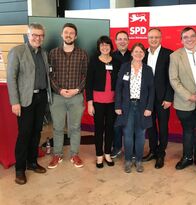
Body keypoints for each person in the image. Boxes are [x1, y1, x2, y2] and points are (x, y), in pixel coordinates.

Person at [7, 23, 52, 185]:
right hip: (25, 101)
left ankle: (32, 162)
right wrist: (15, 102)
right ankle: (20, 169)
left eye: (40, 35)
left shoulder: (43, 53)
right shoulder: (17, 52)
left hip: (40, 99)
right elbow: (11, 78)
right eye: (34, 35)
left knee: (36, 132)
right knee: (24, 134)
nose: (37, 38)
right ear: (28, 35)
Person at [169, 27, 196, 171]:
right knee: (187, 131)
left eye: (192, 36)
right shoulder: (175, 56)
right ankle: (187, 157)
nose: (189, 39)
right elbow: (174, 79)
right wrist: (189, 96)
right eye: (186, 37)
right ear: (181, 40)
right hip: (184, 102)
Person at [48, 23, 88, 169]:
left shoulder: (82, 53)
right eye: (66, 32)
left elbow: (86, 75)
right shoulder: (53, 53)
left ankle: (74, 154)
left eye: (72, 33)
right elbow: (50, 75)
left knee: (75, 127)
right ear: (62, 34)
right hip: (58, 96)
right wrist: (59, 90)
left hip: (76, 97)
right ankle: (57, 154)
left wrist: (77, 90)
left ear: (75, 36)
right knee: (58, 127)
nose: (69, 35)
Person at [115, 43, 154, 173]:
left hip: (142, 107)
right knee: (127, 134)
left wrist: (149, 107)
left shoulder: (148, 69)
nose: (138, 54)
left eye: (141, 52)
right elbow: (119, 87)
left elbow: (151, 90)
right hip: (127, 106)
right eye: (136, 52)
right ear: (131, 53)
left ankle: (138, 161)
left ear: (144, 54)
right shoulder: (125, 67)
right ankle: (127, 160)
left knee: (141, 135)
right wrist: (118, 105)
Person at [86, 36, 120, 168]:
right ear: (99, 47)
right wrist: (90, 103)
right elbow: (88, 84)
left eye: (107, 45)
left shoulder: (116, 62)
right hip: (98, 102)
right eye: (102, 45)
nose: (104, 47)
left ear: (111, 47)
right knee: (99, 129)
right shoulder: (94, 61)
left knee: (110, 128)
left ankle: (107, 153)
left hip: (112, 101)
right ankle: (99, 155)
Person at [142, 28, 173, 169]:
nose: (153, 40)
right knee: (150, 125)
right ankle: (153, 150)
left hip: (162, 99)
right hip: (147, 98)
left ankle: (161, 153)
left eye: (156, 37)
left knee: (163, 126)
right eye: (151, 37)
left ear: (160, 38)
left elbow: (171, 78)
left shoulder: (168, 54)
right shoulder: (142, 54)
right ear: (147, 38)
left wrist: (168, 98)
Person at [111, 30, 131, 159]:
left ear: (128, 41)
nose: (122, 41)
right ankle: (117, 147)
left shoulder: (135, 54)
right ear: (116, 41)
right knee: (117, 124)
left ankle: (131, 149)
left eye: (125, 39)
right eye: (120, 39)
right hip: (116, 95)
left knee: (131, 125)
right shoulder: (110, 56)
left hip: (132, 96)